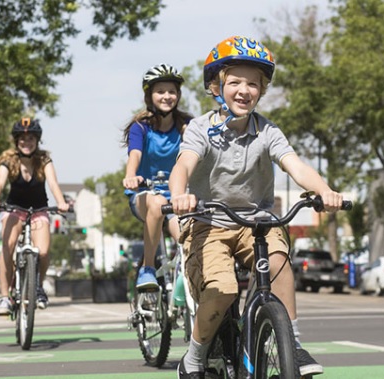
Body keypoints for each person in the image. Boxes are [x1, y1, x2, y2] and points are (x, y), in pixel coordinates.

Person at [168, 36, 344, 378]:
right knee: (223, 290)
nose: (244, 90)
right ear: (216, 87)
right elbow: (183, 166)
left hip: (257, 224)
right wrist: (179, 195)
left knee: (278, 262)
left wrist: (325, 190)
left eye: (253, 83)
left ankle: (291, 343)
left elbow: (295, 165)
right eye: (234, 82)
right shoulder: (200, 130)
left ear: (262, 90)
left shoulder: (268, 131)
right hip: (208, 222)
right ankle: (194, 356)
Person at [0, 117, 69, 315]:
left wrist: (61, 203)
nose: (27, 142)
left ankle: (38, 288)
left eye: (31, 138)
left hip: (39, 211)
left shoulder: (44, 160)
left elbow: (53, 184)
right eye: (22, 139)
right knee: (8, 247)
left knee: (43, 252)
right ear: (16, 141)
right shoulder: (8, 161)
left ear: (37, 140)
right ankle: (5, 297)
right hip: (14, 209)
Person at [121, 63, 193, 290]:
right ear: (149, 96)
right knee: (157, 202)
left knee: (188, 240)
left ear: (178, 95)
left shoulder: (186, 126)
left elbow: (198, 156)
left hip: (178, 198)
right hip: (144, 194)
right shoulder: (140, 128)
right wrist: (131, 176)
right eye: (160, 91)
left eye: (172, 91)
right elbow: (135, 154)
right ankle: (147, 269)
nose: (167, 96)